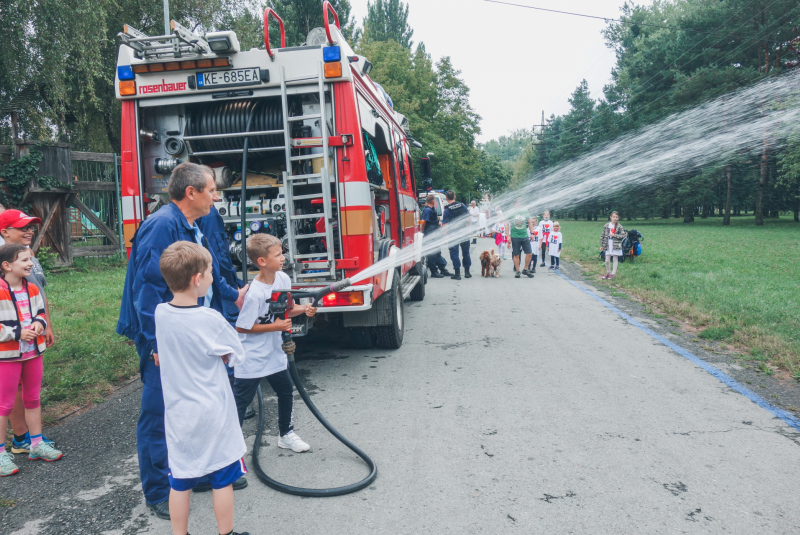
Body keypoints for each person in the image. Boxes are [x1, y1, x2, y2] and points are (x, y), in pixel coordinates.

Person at [117, 162, 249, 520]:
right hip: (164, 340)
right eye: (210, 189)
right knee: (161, 413)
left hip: (186, 335)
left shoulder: (190, 224)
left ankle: (197, 472)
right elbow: (146, 292)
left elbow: (206, 273)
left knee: (192, 407)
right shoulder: (162, 226)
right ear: (191, 193)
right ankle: (159, 490)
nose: (216, 196)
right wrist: (157, 345)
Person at [154, 241, 250, 535]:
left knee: (179, 480)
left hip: (179, 415)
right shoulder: (211, 319)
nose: (212, 276)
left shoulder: (160, 313)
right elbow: (236, 353)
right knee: (223, 479)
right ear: (198, 280)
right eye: (210, 271)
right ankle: (226, 533)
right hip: (213, 414)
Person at [233, 234, 317, 453]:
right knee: (241, 402)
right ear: (262, 261)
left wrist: (304, 310)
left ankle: (286, 434)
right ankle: (231, 446)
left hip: (273, 352)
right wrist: (275, 327)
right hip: (251, 356)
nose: (283, 258)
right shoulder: (255, 293)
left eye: (282, 253)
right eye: (278, 255)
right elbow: (241, 327)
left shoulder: (282, 279)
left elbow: (286, 308)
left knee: (286, 391)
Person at [0, 244, 63, 477]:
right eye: (24, 261)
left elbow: (40, 314)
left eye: (30, 260)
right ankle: (0, 454)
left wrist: (39, 324)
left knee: (33, 398)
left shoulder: (33, 289)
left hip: (33, 353)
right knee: (4, 405)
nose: (30, 264)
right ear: (6, 266)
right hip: (6, 358)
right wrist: (17, 333)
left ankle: (36, 444)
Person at [441, 191, 472, 280]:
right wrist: (469, 228)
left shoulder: (447, 210)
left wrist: (445, 236)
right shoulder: (462, 205)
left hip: (453, 234)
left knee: (454, 253)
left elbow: (445, 225)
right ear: (454, 197)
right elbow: (468, 218)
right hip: (464, 232)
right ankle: (467, 273)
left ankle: (457, 274)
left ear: (446, 198)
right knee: (466, 252)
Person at [419, 195, 451, 278]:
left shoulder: (431, 209)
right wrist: (423, 233)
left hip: (434, 233)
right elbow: (424, 222)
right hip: (430, 234)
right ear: (433, 201)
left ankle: (442, 269)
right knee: (432, 254)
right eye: (434, 200)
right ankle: (434, 272)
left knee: (437, 252)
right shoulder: (427, 210)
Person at [505, 201, 534, 279]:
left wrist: (532, 233)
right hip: (515, 236)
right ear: (514, 204)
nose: (518, 205)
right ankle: (517, 271)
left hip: (524, 235)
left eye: (520, 203)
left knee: (529, 253)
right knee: (516, 255)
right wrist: (508, 236)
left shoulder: (525, 211)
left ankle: (525, 269)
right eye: (517, 203)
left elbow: (530, 222)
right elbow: (506, 224)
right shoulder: (510, 212)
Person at [601, 211, 627, 280]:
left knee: (615, 259)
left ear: (618, 218)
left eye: (616, 217)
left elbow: (622, 235)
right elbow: (603, 235)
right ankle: (608, 272)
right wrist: (602, 245)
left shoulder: (619, 226)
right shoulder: (606, 226)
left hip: (616, 245)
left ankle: (613, 273)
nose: (615, 218)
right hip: (608, 245)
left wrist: (614, 235)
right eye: (613, 217)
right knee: (607, 260)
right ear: (610, 217)